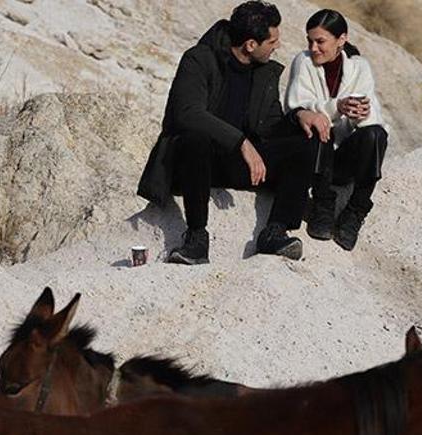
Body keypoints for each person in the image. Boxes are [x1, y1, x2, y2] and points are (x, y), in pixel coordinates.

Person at [137, 1, 318, 265]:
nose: (277, 46)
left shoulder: (264, 72)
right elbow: (187, 113)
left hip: (238, 165)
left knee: (304, 142)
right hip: (193, 164)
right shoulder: (199, 58)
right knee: (195, 139)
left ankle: (275, 232)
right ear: (250, 45)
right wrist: (240, 142)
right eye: (272, 41)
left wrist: (299, 115)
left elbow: (271, 126)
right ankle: (197, 239)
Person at [285, 9, 389, 251]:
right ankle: (322, 204)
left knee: (376, 134)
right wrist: (336, 107)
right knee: (320, 123)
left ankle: (356, 210)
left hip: (344, 158)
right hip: (314, 155)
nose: (314, 48)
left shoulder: (360, 67)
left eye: (320, 41)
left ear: (341, 40)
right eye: (310, 40)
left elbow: (372, 115)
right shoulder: (304, 62)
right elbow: (295, 104)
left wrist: (358, 114)